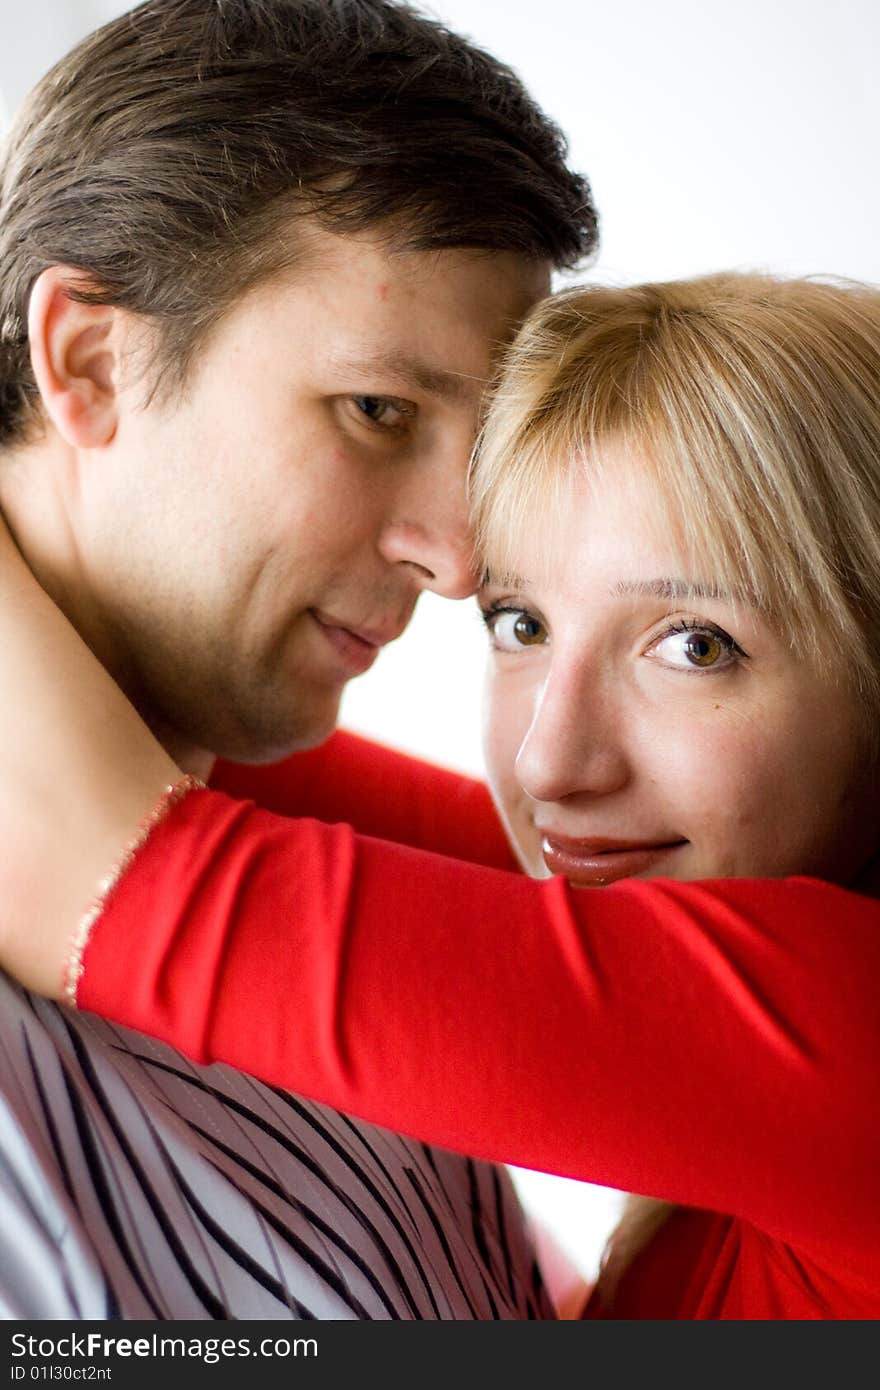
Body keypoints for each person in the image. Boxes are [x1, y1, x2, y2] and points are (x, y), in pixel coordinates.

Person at [3, 270, 880, 1321]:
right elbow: (180, 714)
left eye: (695, 646)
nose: (551, 763)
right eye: (521, 624)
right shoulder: (686, 883)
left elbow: (114, 869)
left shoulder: (845, 1024)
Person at [0, 0, 598, 1319]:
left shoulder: (343, 915)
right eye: (377, 410)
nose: (457, 560)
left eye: (484, 447)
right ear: (89, 358)